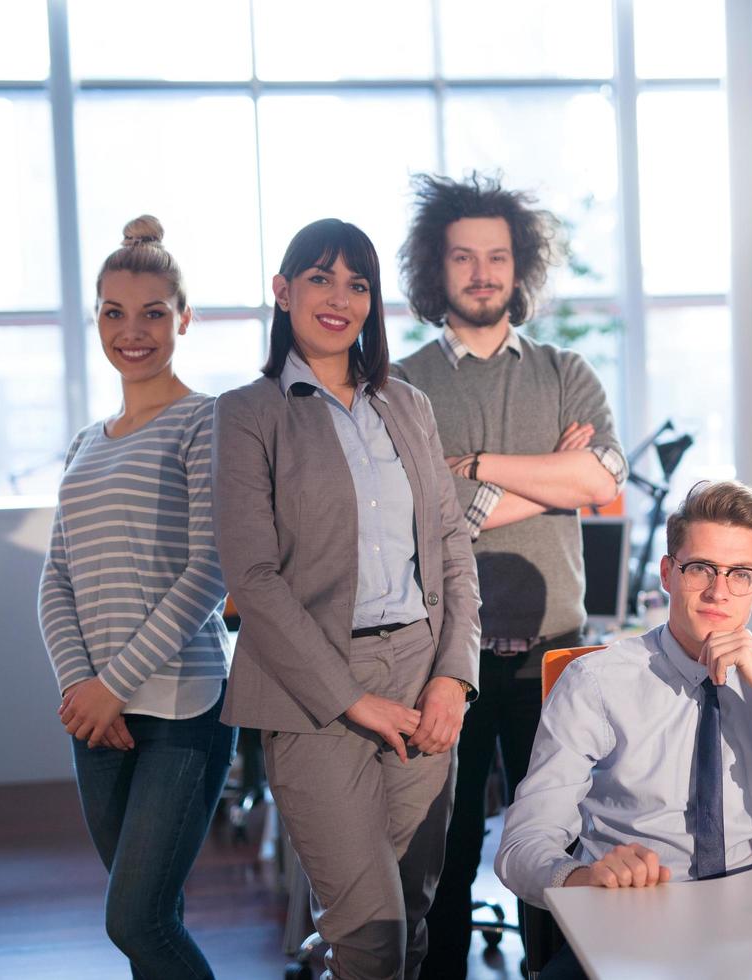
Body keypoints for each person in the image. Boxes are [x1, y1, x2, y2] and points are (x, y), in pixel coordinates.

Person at [212, 217, 480, 980]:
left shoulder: (409, 406)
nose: (340, 298)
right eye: (321, 278)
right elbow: (253, 581)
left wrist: (453, 678)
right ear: (283, 290)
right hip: (314, 690)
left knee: (412, 913)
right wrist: (353, 701)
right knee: (370, 932)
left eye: (357, 283)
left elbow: (453, 548)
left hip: (423, 675)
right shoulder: (246, 414)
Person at [496, 480, 752, 978]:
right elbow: (521, 845)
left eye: (741, 574)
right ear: (667, 575)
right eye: (700, 568)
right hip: (633, 922)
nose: (719, 591)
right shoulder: (596, 681)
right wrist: (584, 877)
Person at [392, 172, 626, 979]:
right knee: (443, 860)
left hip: (556, 655)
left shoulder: (565, 369)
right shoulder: (402, 385)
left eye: (497, 256)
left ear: (520, 266)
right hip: (438, 662)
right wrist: (548, 478)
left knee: (554, 850)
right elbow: (417, 520)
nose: (483, 272)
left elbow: (603, 481)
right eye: (464, 257)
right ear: (436, 268)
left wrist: (479, 471)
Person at [39, 215, 237, 978]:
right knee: (150, 917)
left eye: (154, 312)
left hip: (181, 710)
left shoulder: (206, 420)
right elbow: (56, 577)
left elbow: (210, 570)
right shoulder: (87, 442)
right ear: (96, 319)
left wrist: (113, 687)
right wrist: (80, 690)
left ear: (183, 318)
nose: (134, 331)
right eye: (114, 313)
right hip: (96, 716)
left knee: (135, 918)